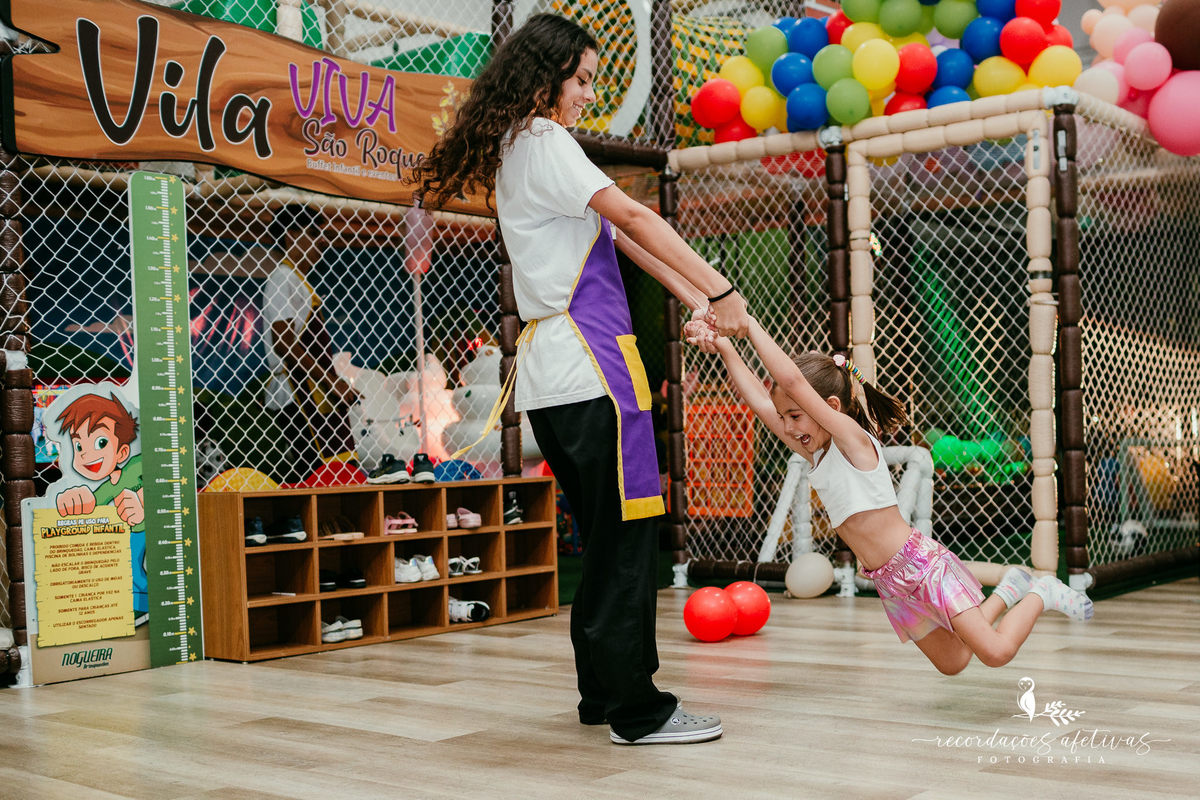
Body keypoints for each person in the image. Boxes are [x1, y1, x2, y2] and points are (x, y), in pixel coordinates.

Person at [414, 13, 749, 745]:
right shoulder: (542, 139)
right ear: (546, 78)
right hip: (589, 371)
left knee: (605, 537)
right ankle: (638, 710)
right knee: (628, 535)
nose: (588, 97)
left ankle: (602, 693)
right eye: (584, 80)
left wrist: (701, 300)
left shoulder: (515, 150)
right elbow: (631, 213)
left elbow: (623, 236)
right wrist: (723, 291)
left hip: (556, 378)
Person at [685, 316, 1093, 675]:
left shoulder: (853, 440)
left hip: (921, 565)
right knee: (954, 662)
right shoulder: (816, 451)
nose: (788, 427)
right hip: (892, 582)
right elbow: (760, 402)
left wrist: (748, 326)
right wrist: (723, 345)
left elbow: (790, 381)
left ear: (830, 406)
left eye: (795, 416)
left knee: (996, 653)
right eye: (786, 418)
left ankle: (1042, 592)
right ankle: (1008, 590)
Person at [261, 204, 360, 484]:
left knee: (329, 469)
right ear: (293, 235)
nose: (322, 241)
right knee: (315, 471)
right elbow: (284, 341)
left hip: (314, 388)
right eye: (315, 233)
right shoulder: (282, 278)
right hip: (297, 390)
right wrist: (332, 382)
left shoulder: (299, 280)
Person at [54, 392, 147, 622]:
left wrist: (143, 508)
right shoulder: (103, 490)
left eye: (100, 442)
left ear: (122, 452)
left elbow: (160, 494)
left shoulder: (138, 467)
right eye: (78, 445)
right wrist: (70, 500)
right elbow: (89, 503)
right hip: (111, 590)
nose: (86, 453)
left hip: (142, 590)